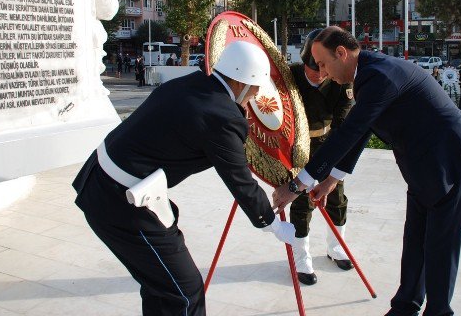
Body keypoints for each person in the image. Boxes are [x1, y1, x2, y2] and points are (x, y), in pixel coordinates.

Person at [272, 26, 461, 316]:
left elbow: (349, 132)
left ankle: (438, 311)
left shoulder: (380, 77)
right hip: (422, 167)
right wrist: (333, 178)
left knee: (439, 247)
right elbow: (364, 130)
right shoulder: (366, 74)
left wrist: (297, 185)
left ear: (342, 53)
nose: (321, 72)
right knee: (414, 243)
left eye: (323, 64)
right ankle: (404, 307)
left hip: (450, 162)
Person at [72, 41, 295, 316]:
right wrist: (270, 222)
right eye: (256, 86)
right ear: (241, 82)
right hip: (120, 202)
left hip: (99, 180)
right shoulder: (222, 116)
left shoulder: (192, 82)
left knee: (161, 285)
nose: (258, 94)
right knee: (184, 291)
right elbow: (240, 179)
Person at [289, 29, 354, 286]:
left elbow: (344, 124)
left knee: (336, 197)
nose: (318, 73)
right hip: (298, 146)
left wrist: (333, 165)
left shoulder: (340, 80)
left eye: (322, 67)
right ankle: (301, 258)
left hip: (329, 143)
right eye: (312, 68)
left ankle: (336, 248)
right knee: (302, 202)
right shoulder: (290, 75)